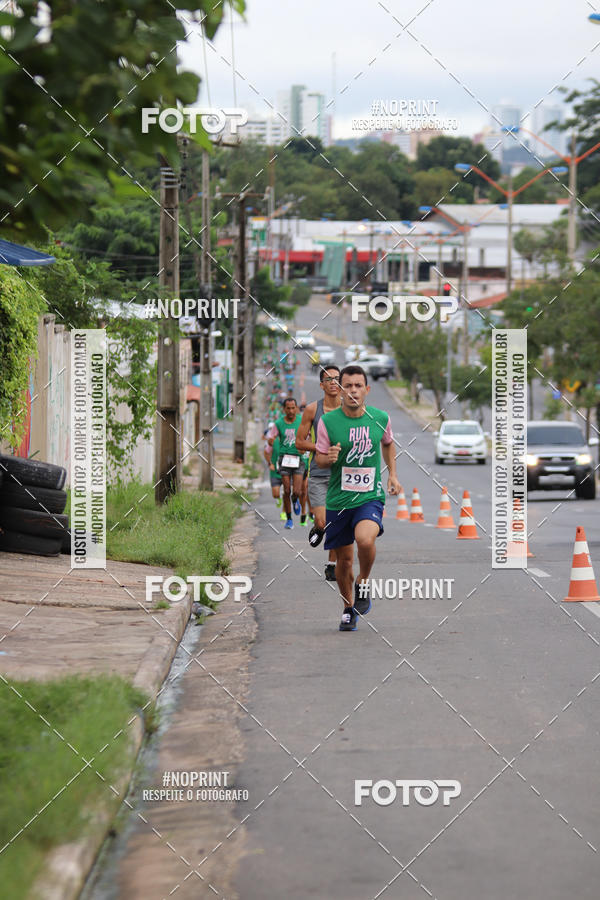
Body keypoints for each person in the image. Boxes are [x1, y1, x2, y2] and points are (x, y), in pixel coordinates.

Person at [315, 365, 400, 632]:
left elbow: (387, 442)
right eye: (347, 386)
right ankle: (348, 608)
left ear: (367, 390)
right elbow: (318, 457)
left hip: (369, 496)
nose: (353, 391)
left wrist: (392, 475)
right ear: (340, 390)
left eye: (358, 386)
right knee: (344, 561)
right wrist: (327, 458)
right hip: (338, 501)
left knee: (365, 539)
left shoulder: (380, 418)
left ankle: (364, 581)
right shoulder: (328, 423)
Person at [295, 365, 342, 581]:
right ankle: (317, 527)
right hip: (319, 475)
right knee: (324, 522)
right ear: (322, 385)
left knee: (337, 522)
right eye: (329, 379)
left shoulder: (349, 408)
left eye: (337, 379)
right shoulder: (313, 410)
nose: (334, 382)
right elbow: (299, 442)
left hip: (343, 476)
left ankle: (332, 565)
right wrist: (320, 448)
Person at [268, 397, 304, 530]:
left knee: (297, 491)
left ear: (296, 408)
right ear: (284, 409)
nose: (291, 410)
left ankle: (295, 499)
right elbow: (271, 438)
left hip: (298, 459)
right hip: (284, 459)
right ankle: (289, 519)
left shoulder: (301, 421)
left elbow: (308, 436)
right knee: (287, 489)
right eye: (288, 408)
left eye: (293, 407)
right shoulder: (278, 423)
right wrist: (270, 441)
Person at [263, 426, 286, 521]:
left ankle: (284, 513)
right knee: (275, 494)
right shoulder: (273, 441)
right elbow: (266, 452)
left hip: (286, 471)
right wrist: (270, 463)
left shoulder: (289, 442)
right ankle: (278, 498)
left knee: (287, 493)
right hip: (275, 471)